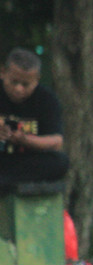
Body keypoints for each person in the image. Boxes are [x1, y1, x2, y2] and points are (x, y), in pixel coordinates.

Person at [0, 48, 69, 186]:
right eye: (14, 82)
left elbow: (56, 142)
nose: (19, 89)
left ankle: (7, 183)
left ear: (37, 80)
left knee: (60, 162)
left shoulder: (46, 99)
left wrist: (25, 140)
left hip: (26, 162)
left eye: (25, 85)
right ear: (3, 73)